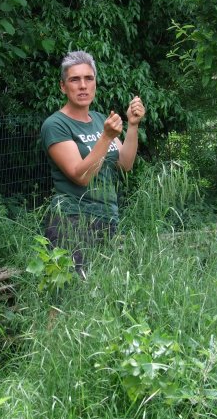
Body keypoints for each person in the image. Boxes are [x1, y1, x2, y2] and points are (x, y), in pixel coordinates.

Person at [40, 50, 145, 278]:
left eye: (88, 79)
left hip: (106, 219)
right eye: (74, 79)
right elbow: (81, 175)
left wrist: (133, 125)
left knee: (97, 297)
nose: (83, 86)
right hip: (72, 220)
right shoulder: (55, 124)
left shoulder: (99, 120)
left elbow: (125, 164)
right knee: (69, 297)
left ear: (95, 84)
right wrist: (105, 137)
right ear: (63, 86)